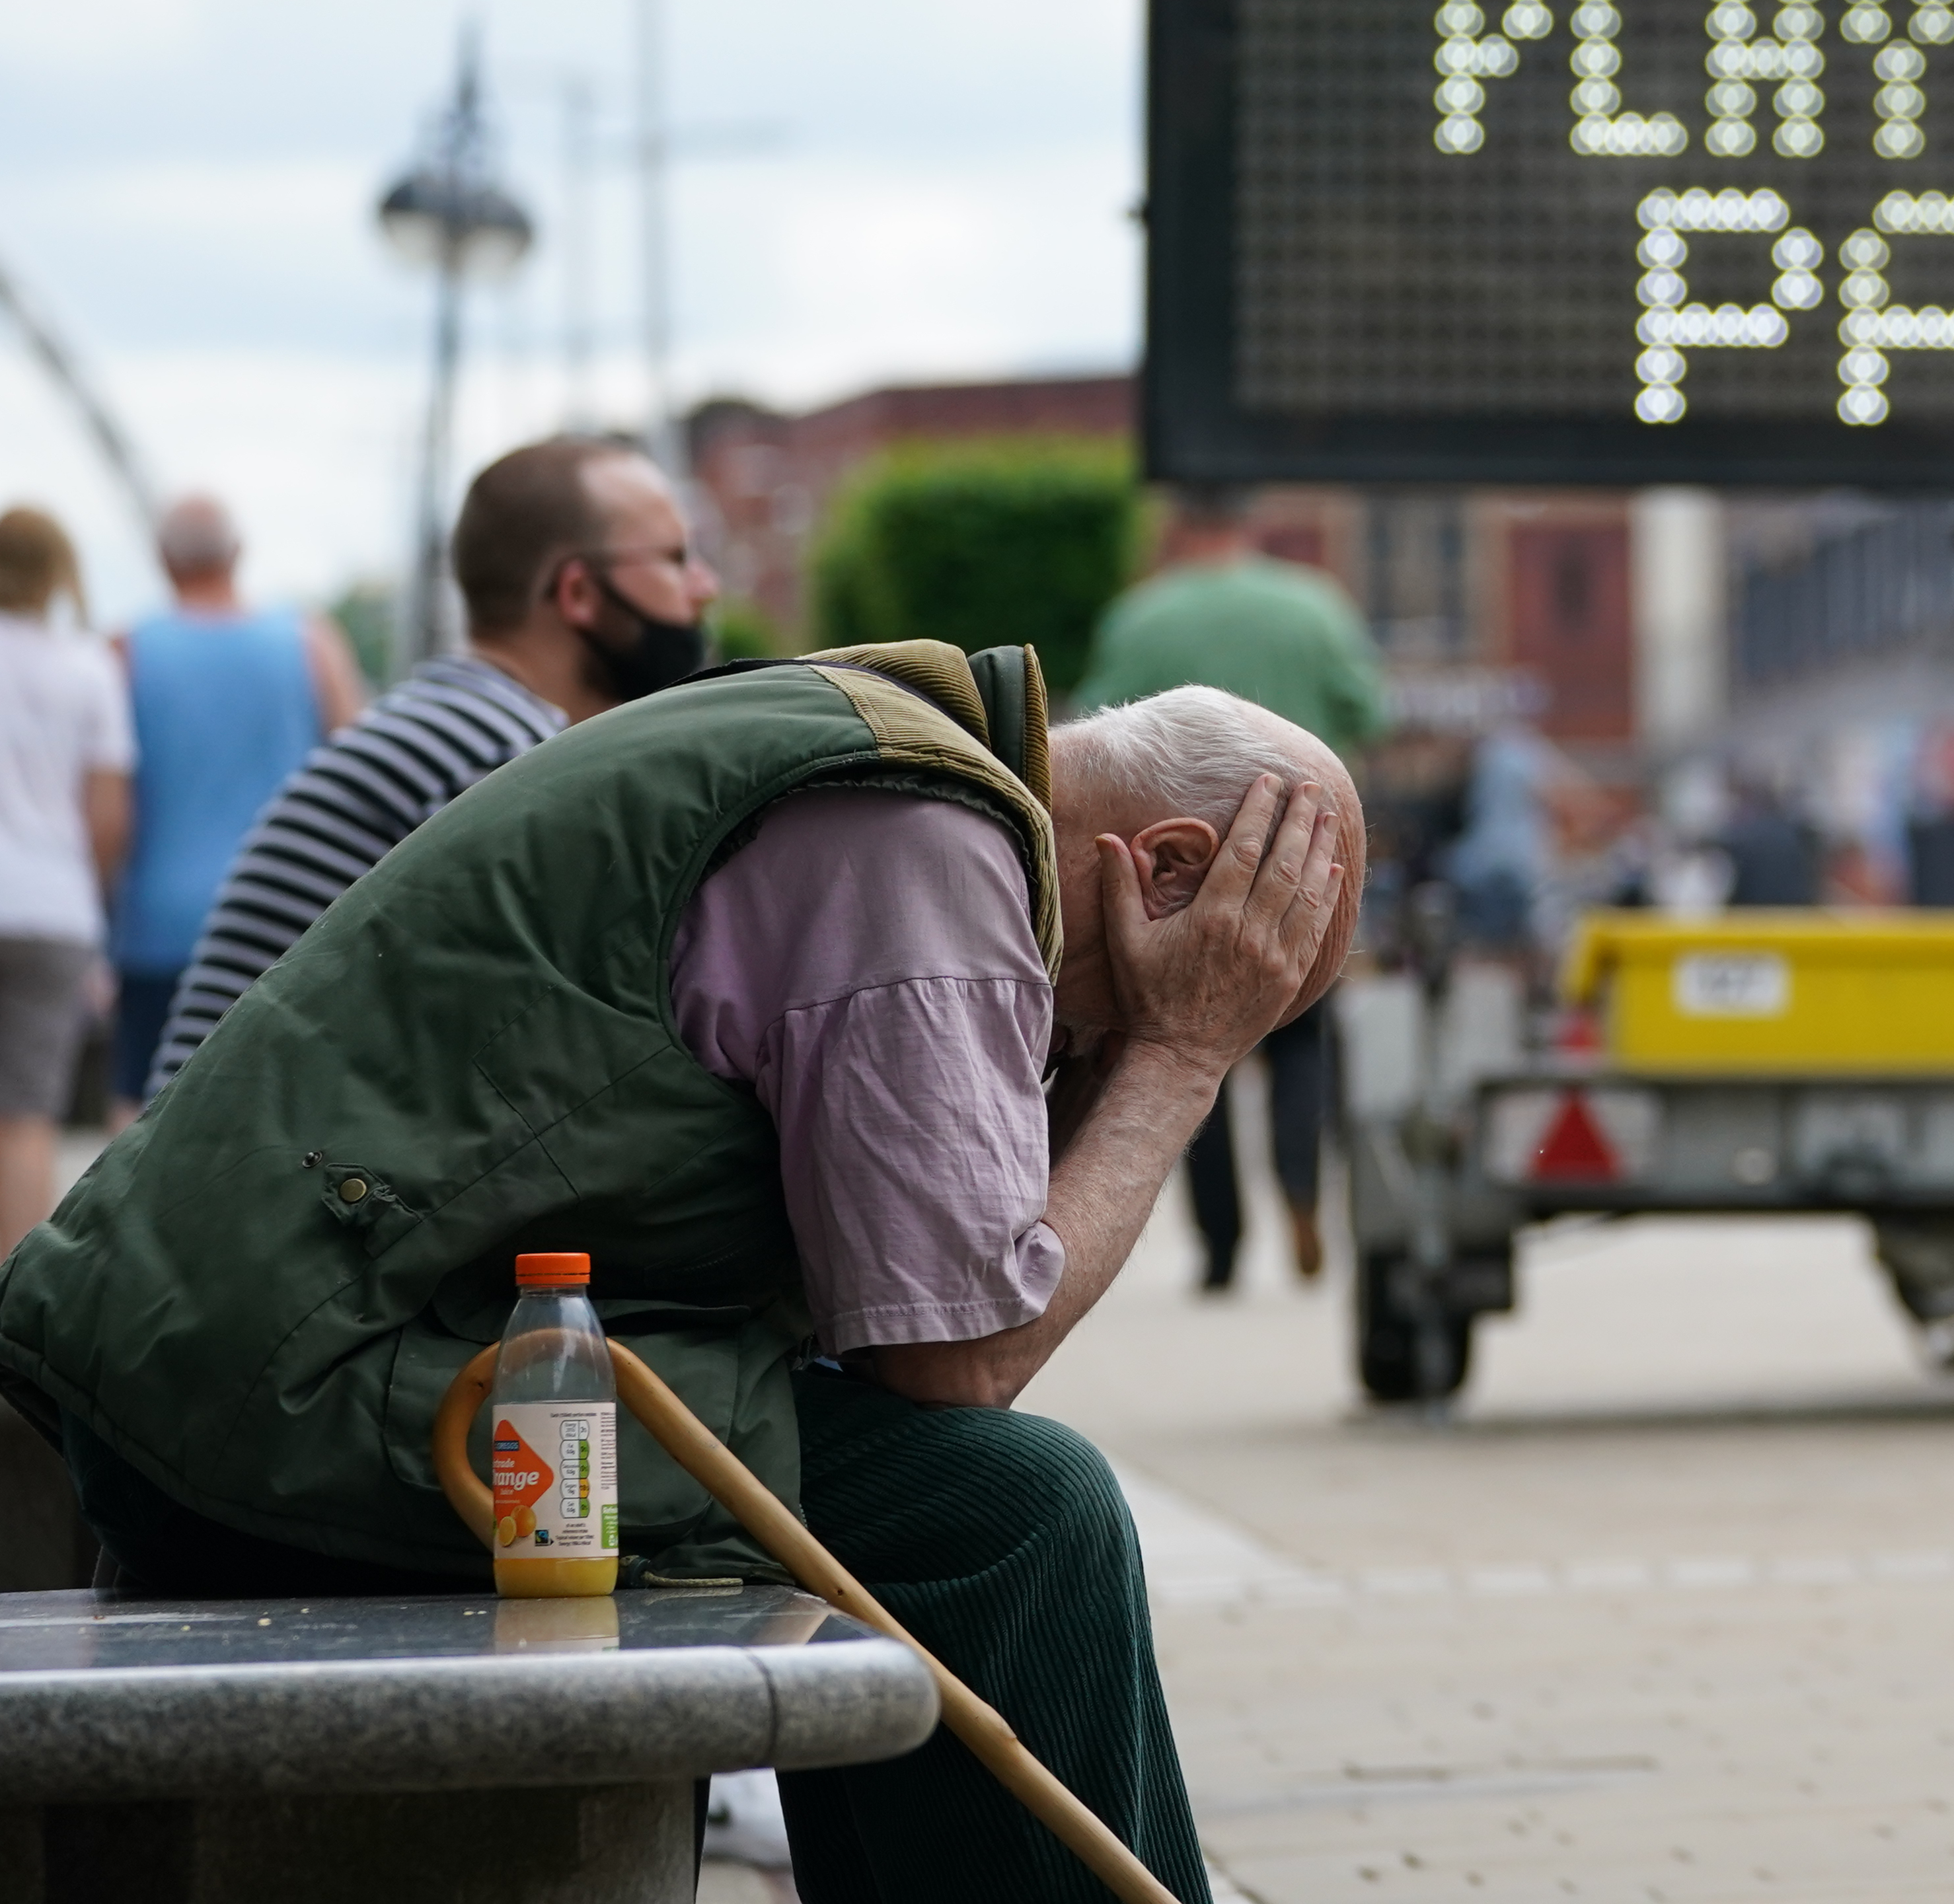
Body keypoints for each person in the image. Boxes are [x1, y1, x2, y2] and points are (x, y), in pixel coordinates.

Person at [0, 641, 1355, 1904]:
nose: (1137, 1031)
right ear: (1168, 869)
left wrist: (1125, 1042)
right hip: (288, 1401)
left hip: (244, 1363)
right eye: (1225, 979)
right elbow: (958, 1363)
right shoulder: (923, 853)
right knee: (1004, 1511)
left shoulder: (886, 762)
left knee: (909, 1483)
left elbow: (921, 1287)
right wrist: (1186, 1055)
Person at [149, 436, 720, 1091]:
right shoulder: (504, 764)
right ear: (579, 593)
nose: (704, 587)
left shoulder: (444, 726)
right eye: (676, 559)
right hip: (260, 1172)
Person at [1075, 485, 1387, 1292]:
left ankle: (1221, 1248)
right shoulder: (1314, 606)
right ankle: (1302, 1190)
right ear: (1251, 524)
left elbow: (1091, 740)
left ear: (1179, 527)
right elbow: (1367, 712)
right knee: (1299, 1046)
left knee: (1188, 1043)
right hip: (1308, 860)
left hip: (1179, 867)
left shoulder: (1142, 617)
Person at [105, 497, 359, 1120]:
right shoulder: (310, 642)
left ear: (163, 559)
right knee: (278, 1106)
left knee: (140, 1108)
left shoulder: (124, 652)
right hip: (290, 920)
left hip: (159, 925)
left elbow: (109, 812)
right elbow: (358, 766)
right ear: (238, 553)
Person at [0, 509, 132, 1255]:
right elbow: (107, 814)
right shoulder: (89, 668)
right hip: (53, 908)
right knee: (24, 1118)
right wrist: (93, 891)